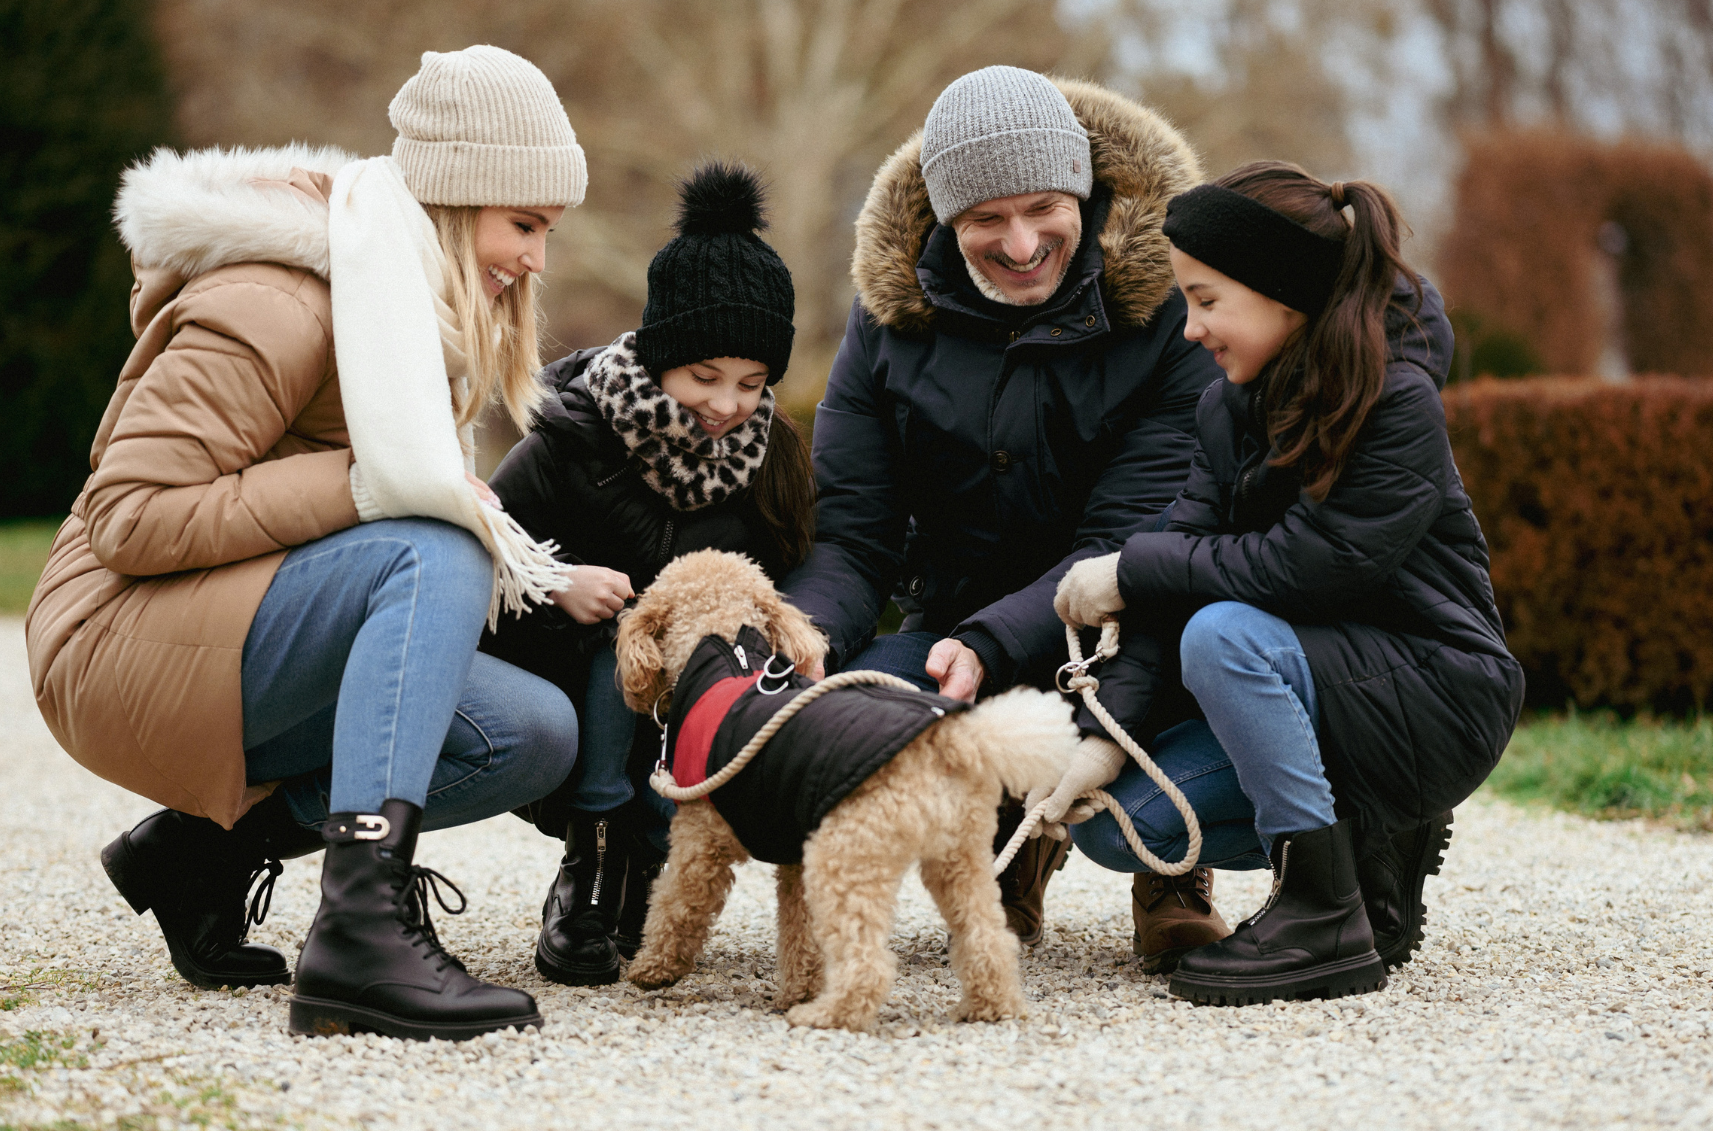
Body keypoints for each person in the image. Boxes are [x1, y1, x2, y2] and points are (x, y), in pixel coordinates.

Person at [26, 45, 590, 1041]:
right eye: (525, 223)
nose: (538, 257)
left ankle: (201, 854)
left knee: (530, 731)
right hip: (110, 641)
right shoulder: (278, 301)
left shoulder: (409, 315)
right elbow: (130, 514)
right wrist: (362, 487)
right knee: (432, 545)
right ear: (459, 202)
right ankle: (360, 933)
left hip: (227, 629)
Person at [1050, 161, 1525, 1004]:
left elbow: (1308, 568)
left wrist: (1129, 568)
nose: (1190, 329)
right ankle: (1367, 847)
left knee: (1224, 634)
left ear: (1284, 294)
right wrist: (1104, 733)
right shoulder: (1229, 409)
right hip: (1319, 687)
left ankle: (1321, 917)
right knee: (1131, 832)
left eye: (1205, 300)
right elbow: (1181, 569)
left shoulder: (1391, 400)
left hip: (1437, 691)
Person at [781, 66, 1221, 950]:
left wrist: (993, 640)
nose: (1020, 244)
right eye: (987, 220)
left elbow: (1127, 537)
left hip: (1125, 625)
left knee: (1134, 778)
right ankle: (1003, 849)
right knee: (833, 715)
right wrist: (807, 635)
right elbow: (853, 530)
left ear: (1085, 197)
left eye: (1044, 209)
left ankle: (1169, 869)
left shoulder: (1172, 317)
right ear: (948, 221)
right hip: (950, 623)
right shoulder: (888, 316)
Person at [483, 162, 814, 986]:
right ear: (659, 355)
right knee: (614, 640)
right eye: (704, 377)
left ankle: (645, 872)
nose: (728, 405)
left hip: (702, 696)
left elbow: (798, 571)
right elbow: (477, 549)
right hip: (569, 674)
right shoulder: (567, 437)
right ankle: (590, 873)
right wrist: (556, 583)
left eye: (751, 383)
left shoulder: (772, 457)